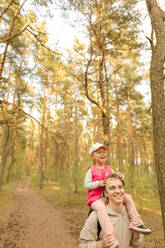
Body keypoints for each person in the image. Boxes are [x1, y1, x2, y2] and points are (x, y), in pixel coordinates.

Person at [84, 143, 151, 248]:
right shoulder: (91, 170)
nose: (102, 154)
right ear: (93, 156)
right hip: (96, 200)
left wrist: (121, 175)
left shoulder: (109, 169)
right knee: (101, 209)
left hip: (108, 197)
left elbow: (117, 180)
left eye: (104, 152)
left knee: (128, 197)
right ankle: (111, 238)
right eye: (99, 153)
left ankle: (135, 222)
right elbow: (86, 185)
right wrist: (98, 183)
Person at [79, 173, 144, 248]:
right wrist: (101, 244)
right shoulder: (96, 216)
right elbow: (82, 244)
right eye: (112, 188)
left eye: (120, 187)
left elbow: (136, 244)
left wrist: (137, 236)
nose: (117, 191)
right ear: (106, 193)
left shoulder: (131, 215)